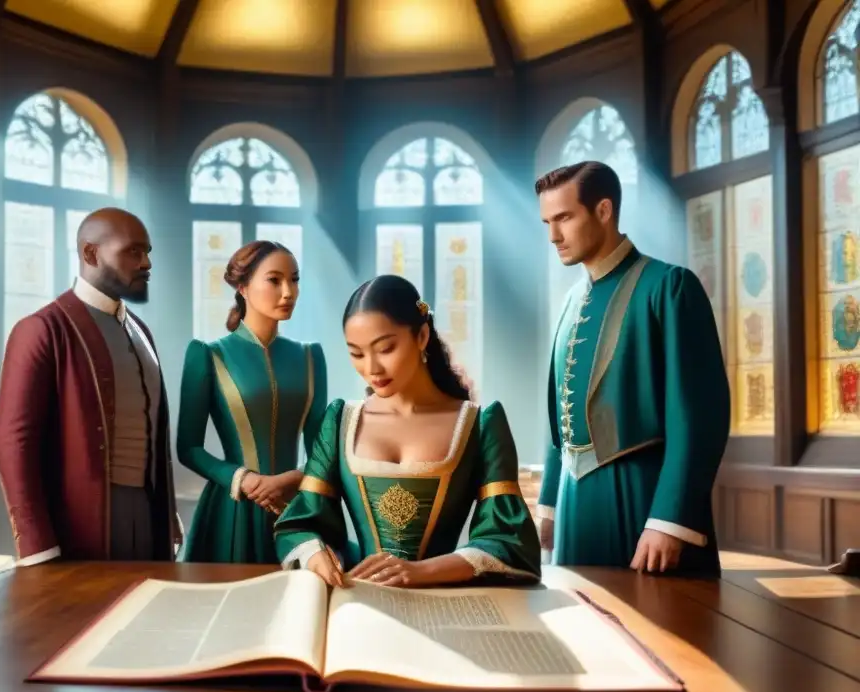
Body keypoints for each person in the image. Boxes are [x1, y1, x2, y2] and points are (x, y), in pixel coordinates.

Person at [273, 274, 541, 588]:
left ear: (422, 336)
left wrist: (420, 572)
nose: (372, 369)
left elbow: (509, 540)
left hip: (444, 602)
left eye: (385, 349)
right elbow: (302, 522)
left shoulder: (480, 424)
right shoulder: (340, 421)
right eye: (357, 354)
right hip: (360, 600)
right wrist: (316, 554)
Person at [535, 161, 730, 576]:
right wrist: (549, 507)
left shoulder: (670, 287)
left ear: (604, 211)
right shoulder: (570, 302)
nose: (553, 236)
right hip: (574, 503)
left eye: (565, 218)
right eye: (547, 222)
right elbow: (559, 421)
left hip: (645, 501)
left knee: (661, 635)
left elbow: (699, 418)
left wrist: (670, 521)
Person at [0, 207, 181, 565]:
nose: (146, 264)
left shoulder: (142, 331)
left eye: (148, 253)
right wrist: (36, 545)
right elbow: (11, 439)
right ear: (91, 254)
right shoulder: (42, 329)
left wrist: (167, 515)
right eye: (133, 252)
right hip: (79, 524)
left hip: (148, 515)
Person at [178, 241, 327, 563]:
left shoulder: (310, 356)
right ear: (243, 287)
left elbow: (321, 451)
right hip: (235, 509)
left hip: (295, 508)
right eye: (274, 280)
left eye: (295, 279)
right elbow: (188, 448)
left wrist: (291, 480)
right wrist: (243, 480)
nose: (288, 291)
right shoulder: (208, 354)